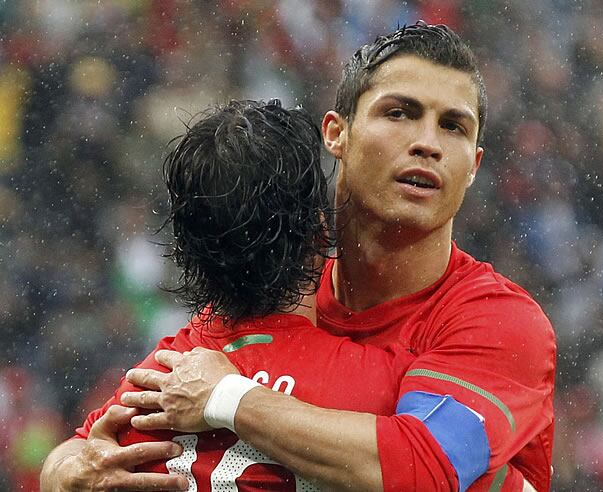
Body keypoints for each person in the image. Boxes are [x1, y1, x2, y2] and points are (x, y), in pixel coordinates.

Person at [44, 22, 556, 491]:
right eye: (399, 113)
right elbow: (84, 445)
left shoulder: (500, 324)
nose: (427, 143)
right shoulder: (275, 289)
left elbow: (422, 469)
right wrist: (70, 471)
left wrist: (230, 400)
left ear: (473, 166)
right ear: (336, 132)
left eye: (454, 126)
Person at [40, 100, 414, 490]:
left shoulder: (150, 383)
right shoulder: (379, 384)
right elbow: (428, 467)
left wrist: (62, 471)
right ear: (320, 231)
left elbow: (76, 454)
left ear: (187, 250)